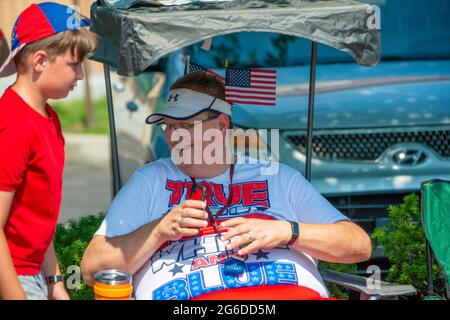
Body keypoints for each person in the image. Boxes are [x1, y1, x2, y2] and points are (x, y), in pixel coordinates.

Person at [81, 72, 372, 300]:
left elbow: (358, 246)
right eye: (169, 126)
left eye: (185, 125)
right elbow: (92, 269)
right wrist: (158, 230)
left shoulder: (277, 176)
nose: (172, 136)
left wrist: (288, 231)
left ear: (221, 126)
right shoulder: (150, 181)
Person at [0, 2, 97, 300]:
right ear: (40, 61)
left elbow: (38, 218)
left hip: (35, 275)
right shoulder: (13, 122)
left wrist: (54, 280)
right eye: (74, 64)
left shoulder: (49, 118)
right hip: (14, 276)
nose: (80, 75)